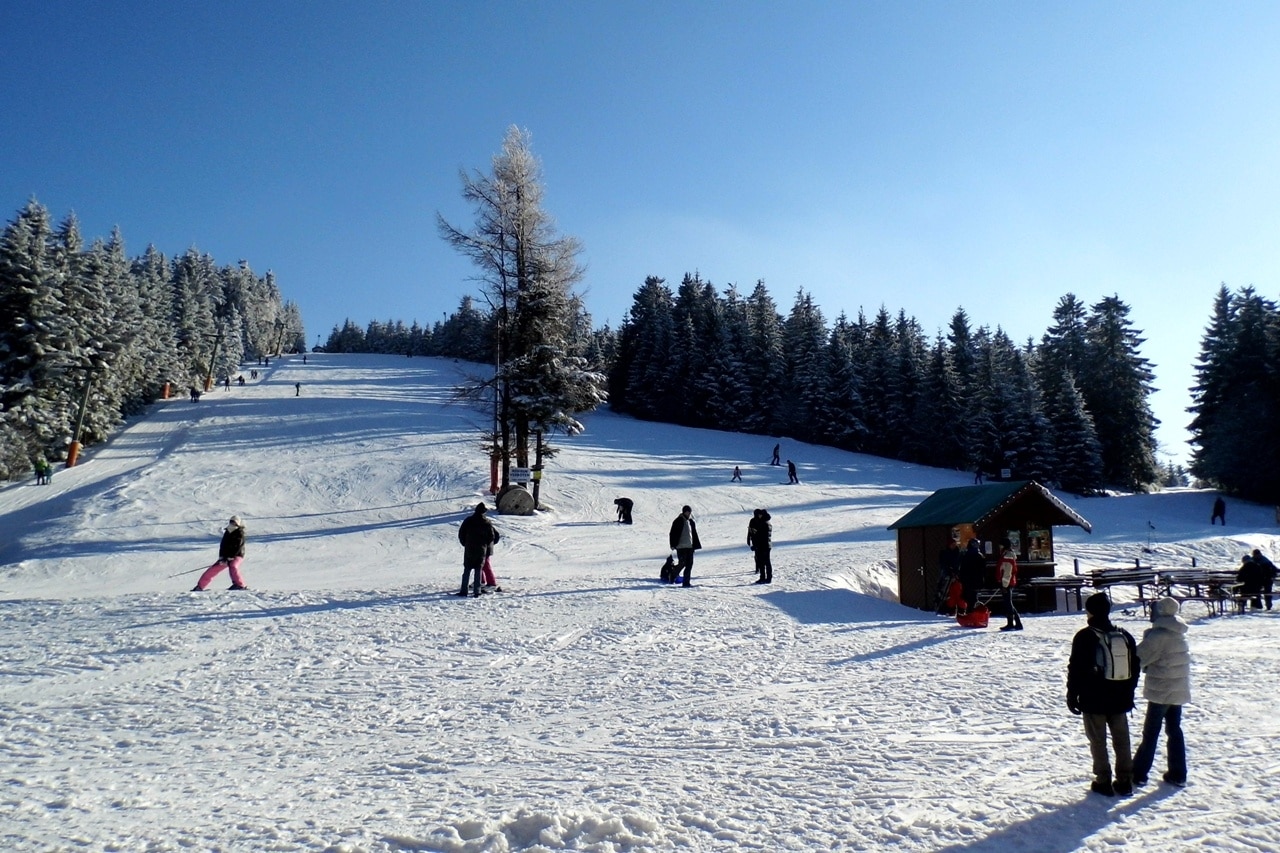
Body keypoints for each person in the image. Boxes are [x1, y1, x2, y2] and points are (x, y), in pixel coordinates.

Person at [1067, 593, 1140, 796]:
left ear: (1090, 611)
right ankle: (1125, 780)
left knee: (1098, 741)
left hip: (1093, 699)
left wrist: (1072, 695)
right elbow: (1135, 667)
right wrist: (1129, 692)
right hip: (1120, 697)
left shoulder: (1085, 636)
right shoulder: (1124, 635)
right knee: (1122, 740)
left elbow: (1076, 668)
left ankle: (1103, 781)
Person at [1132, 597, 1191, 788]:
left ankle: (1138, 773)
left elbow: (1138, 658)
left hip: (1161, 690)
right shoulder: (1178, 632)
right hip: (1177, 690)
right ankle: (1178, 773)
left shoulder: (1158, 636)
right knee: (1174, 730)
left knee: (1151, 732)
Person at [193, 516, 249, 591]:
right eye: (231, 521)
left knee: (233, 566)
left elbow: (238, 546)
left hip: (237, 555)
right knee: (213, 569)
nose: (232, 523)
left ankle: (240, 585)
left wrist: (231, 556)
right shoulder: (227, 532)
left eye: (234, 522)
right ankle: (200, 586)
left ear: (237, 523)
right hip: (226, 556)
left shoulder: (239, 533)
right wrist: (222, 557)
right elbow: (223, 545)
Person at [458, 502, 499, 597]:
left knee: (467, 569)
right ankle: (477, 590)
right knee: (479, 569)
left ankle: (464, 590)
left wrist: (465, 543)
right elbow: (492, 536)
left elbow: (461, 533)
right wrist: (485, 544)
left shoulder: (468, 520)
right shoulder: (487, 522)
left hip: (469, 548)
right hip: (482, 549)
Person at [668, 505, 701, 587]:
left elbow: (694, 534)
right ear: (683, 512)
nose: (688, 513)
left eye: (689, 512)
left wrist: (694, 545)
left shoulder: (690, 522)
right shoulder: (678, 521)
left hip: (690, 547)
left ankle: (686, 582)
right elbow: (672, 533)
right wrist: (672, 544)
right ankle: (672, 574)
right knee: (682, 563)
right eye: (687, 512)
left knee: (689, 565)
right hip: (681, 547)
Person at [997, 538, 1023, 631]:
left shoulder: (1007, 556)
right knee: (1009, 603)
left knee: (1008, 604)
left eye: (1001, 545)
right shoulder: (1006, 554)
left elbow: (1007, 572)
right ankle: (1015, 623)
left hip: (1007, 583)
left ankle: (1012, 623)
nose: (999, 547)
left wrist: (1004, 585)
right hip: (1008, 582)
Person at [934, 540, 962, 615]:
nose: (954, 546)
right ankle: (942, 607)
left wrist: (956, 572)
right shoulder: (945, 553)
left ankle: (954, 608)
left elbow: (959, 563)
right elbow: (943, 564)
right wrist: (948, 570)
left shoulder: (958, 553)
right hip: (947, 574)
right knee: (944, 591)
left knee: (956, 591)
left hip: (956, 575)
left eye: (954, 544)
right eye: (952, 544)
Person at [958, 539, 986, 614]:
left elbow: (962, 568)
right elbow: (983, 569)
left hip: (967, 580)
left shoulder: (965, 555)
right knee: (972, 598)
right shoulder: (979, 555)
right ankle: (970, 612)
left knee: (966, 596)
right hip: (975, 581)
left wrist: (961, 578)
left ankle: (966, 611)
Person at [747, 508, 773, 584]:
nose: (758, 516)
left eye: (759, 515)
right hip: (762, 545)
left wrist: (757, 545)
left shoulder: (765, 523)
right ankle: (762, 577)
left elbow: (762, 537)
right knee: (761, 562)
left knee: (766, 562)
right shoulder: (762, 522)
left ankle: (768, 578)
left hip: (765, 546)